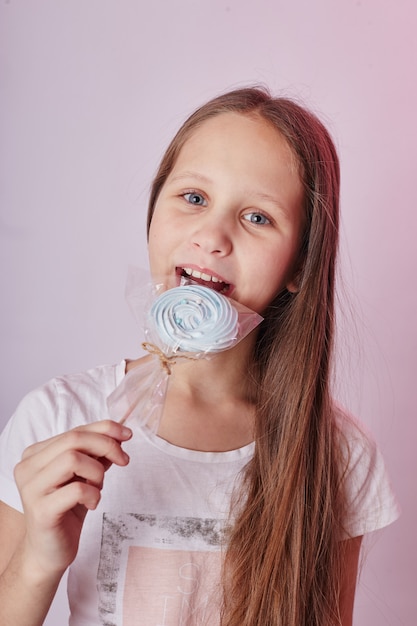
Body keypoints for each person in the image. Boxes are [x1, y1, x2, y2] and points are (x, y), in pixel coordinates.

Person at [0, 87, 399, 626]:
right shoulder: (58, 417)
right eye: (193, 197)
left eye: (257, 217)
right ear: (153, 212)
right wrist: (38, 562)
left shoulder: (336, 455)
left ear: (299, 267)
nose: (212, 236)